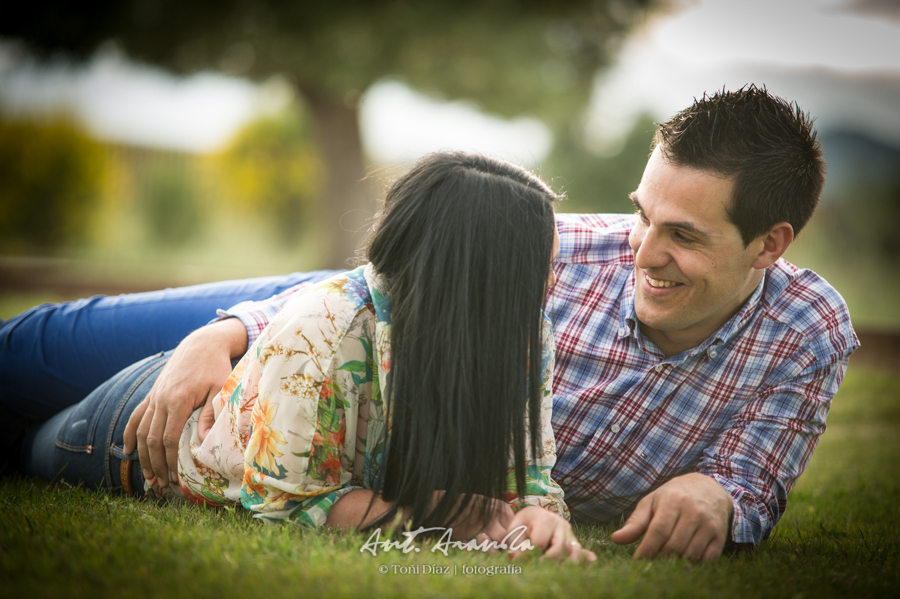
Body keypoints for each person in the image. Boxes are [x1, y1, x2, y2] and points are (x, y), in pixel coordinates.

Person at [1, 86, 859, 562]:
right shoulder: (557, 250)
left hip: (358, 412)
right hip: (308, 328)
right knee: (36, 351)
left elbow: (752, 475)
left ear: (768, 245)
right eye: (643, 214)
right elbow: (376, 293)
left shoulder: (804, 331)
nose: (641, 250)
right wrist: (223, 334)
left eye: (684, 235)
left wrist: (722, 494)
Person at [9, 151, 596, 562]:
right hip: (141, 437)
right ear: (478, 273)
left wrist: (539, 517)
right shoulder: (329, 328)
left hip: (247, 399)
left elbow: (532, 473)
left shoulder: (524, 335)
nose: (552, 281)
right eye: (539, 266)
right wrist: (442, 514)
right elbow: (286, 503)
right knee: (19, 445)